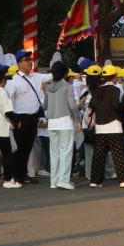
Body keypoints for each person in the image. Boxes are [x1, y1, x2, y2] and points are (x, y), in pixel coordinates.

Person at [87, 66, 124, 188]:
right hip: (113, 125)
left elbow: (92, 106)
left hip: (100, 126)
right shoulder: (114, 89)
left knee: (99, 155)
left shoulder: (97, 90)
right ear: (115, 77)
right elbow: (116, 106)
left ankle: (95, 180)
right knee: (118, 154)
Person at [7, 50, 46, 186]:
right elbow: (8, 101)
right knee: (19, 148)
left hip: (32, 118)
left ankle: (22, 175)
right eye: (25, 60)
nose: (30, 61)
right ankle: (14, 175)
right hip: (20, 118)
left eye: (30, 59)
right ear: (18, 63)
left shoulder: (36, 77)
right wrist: (13, 119)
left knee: (28, 148)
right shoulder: (14, 81)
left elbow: (53, 76)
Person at [42, 62, 79, 190]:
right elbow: (72, 106)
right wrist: (78, 120)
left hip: (51, 122)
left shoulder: (48, 88)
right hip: (65, 121)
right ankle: (63, 180)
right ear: (65, 73)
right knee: (66, 152)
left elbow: (44, 106)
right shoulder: (68, 87)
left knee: (54, 153)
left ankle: (54, 180)